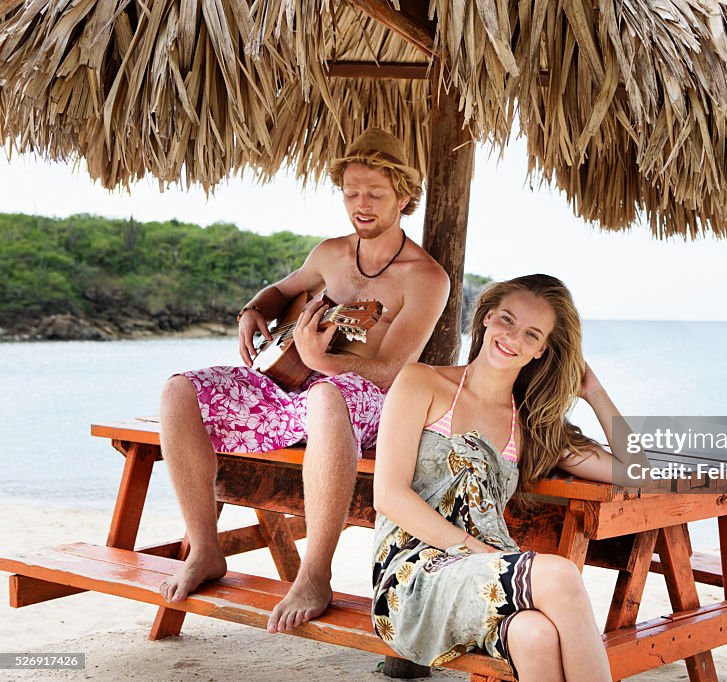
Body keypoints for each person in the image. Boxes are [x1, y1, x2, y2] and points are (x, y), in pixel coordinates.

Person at [157, 128, 450, 635]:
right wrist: (254, 311)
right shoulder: (330, 253)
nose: (361, 204)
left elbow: (392, 372)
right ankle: (205, 547)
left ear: (404, 197)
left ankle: (315, 573)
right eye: (351, 192)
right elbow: (281, 290)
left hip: (365, 401)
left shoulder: (425, 278)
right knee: (178, 390)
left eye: (375, 194)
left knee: (327, 393)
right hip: (294, 390)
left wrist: (326, 362)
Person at [371, 274, 632, 682]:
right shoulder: (422, 381)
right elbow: (388, 494)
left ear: (541, 350)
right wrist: (476, 550)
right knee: (561, 574)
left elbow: (635, 470)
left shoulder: (530, 427)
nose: (513, 337)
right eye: (507, 320)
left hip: (490, 582)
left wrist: (594, 391)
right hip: (412, 578)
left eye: (531, 334)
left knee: (536, 634)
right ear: (488, 317)